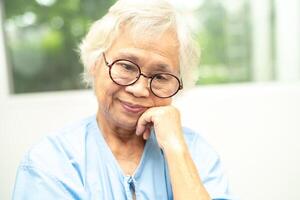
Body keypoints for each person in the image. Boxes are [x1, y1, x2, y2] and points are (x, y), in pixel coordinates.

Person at [13, 0, 234, 199]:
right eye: (126, 66)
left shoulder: (196, 154)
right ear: (95, 63)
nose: (139, 89)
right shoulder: (50, 163)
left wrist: (176, 150)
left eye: (160, 77)